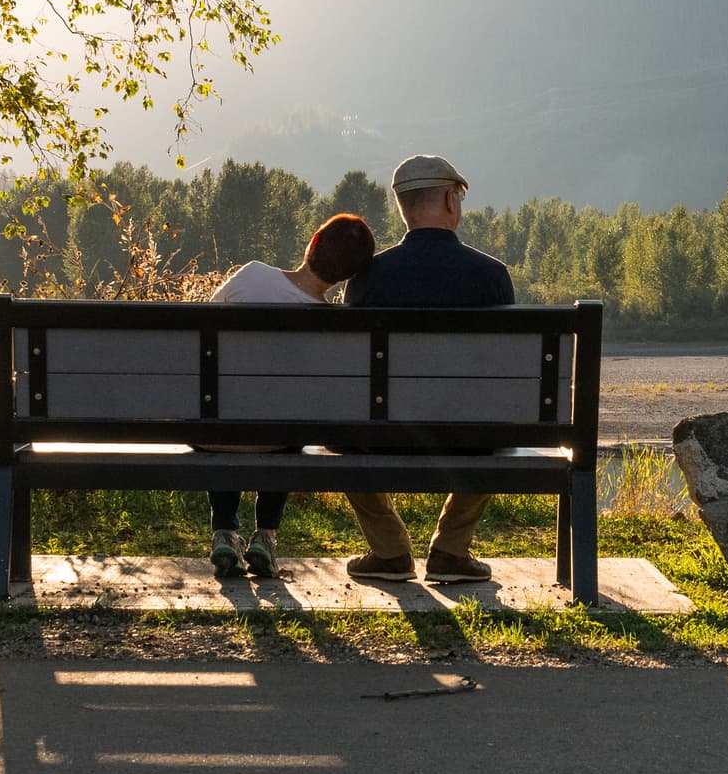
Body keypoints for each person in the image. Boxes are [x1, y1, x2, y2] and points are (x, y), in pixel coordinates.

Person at [344, 151, 516, 582]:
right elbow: (507, 378)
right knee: (497, 426)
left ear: (401, 208)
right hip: (470, 436)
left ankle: (388, 552)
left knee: (342, 435)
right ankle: (451, 552)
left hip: (379, 435)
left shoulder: (367, 278)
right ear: (450, 202)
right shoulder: (491, 276)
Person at [205, 210, 375, 581]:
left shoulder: (251, 274)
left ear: (312, 242)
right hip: (277, 438)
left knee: (226, 409)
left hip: (211, 432)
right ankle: (264, 535)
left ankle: (224, 531)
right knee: (288, 422)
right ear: (347, 277)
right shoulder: (331, 324)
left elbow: (200, 335)